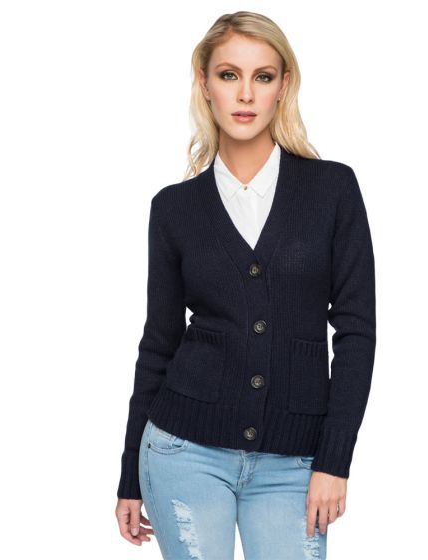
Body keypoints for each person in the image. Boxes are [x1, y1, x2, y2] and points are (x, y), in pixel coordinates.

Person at [115, 11, 376, 560]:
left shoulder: (333, 190)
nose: (245, 94)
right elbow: (159, 342)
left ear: (284, 86)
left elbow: (356, 333)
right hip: (183, 451)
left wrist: (335, 460)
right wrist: (129, 479)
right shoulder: (174, 209)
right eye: (229, 74)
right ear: (205, 84)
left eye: (263, 76)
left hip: (295, 462)